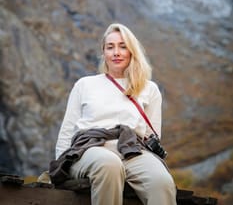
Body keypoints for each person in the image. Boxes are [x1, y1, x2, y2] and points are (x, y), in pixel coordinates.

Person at [50, 23, 177, 205]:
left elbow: (152, 135)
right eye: (110, 47)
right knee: (109, 164)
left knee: (162, 182)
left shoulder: (149, 89)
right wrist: (62, 165)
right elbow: (67, 131)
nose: (116, 52)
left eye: (123, 46)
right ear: (104, 53)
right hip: (89, 150)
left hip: (132, 151)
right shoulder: (85, 85)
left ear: (132, 51)